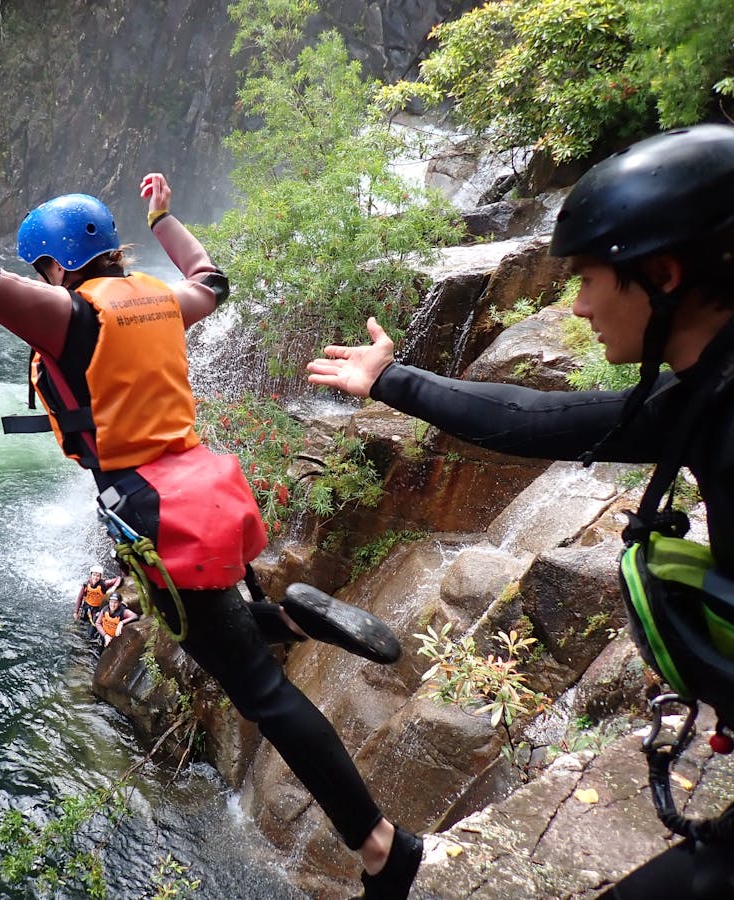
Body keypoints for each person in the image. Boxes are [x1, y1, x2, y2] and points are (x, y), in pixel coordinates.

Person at [0, 147, 420, 898]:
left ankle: (383, 848)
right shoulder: (155, 295)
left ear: (56, 266)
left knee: (260, 694)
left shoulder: (69, 314)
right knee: (223, 629)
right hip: (208, 483)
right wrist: (165, 218)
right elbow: (212, 280)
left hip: (156, 511)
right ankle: (286, 616)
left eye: (41, 267)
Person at [307, 124, 734, 898]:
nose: (577, 306)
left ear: (663, 274)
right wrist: (392, 379)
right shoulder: (708, 393)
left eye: (589, 280)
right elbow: (538, 421)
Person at [75, 564, 121, 636]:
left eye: (98, 576)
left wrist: (114, 587)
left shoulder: (104, 584)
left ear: (101, 577)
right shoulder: (86, 584)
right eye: (94, 575)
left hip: (96, 610)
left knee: (91, 631)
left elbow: (119, 578)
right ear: (91, 575)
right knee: (79, 625)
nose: (95, 577)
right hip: (86, 607)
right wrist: (76, 612)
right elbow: (79, 598)